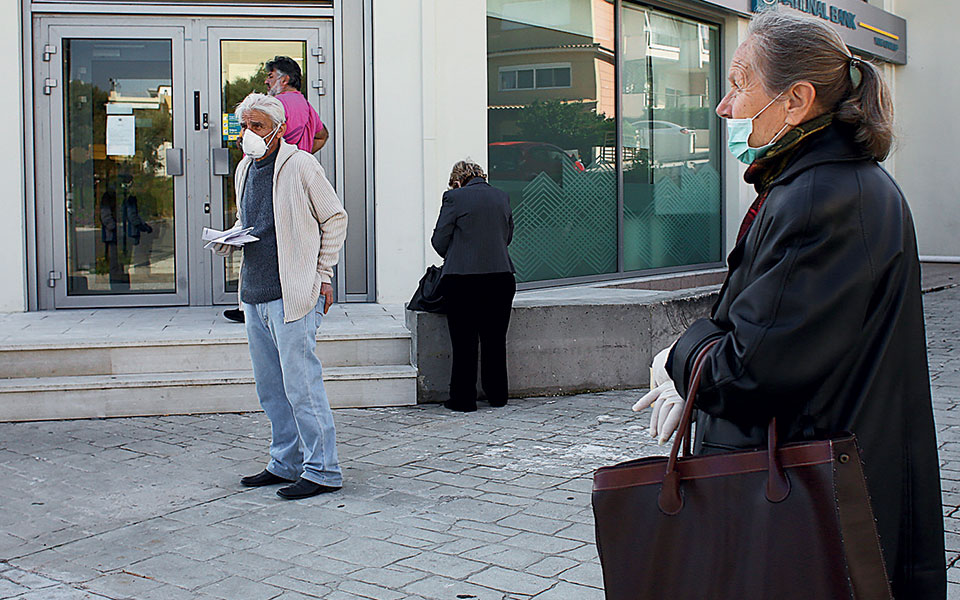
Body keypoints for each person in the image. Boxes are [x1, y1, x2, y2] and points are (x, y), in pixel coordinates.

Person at [632, 9, 945, 598]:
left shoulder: (818, 197)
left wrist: (681, 354)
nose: (724, 106)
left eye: (739, 83)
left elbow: (752, 370)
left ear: (797, 100)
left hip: (813, 510)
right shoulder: (828, 183)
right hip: (831, 488)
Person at [214, 93, 348, 500]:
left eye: (256, 126)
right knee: (271, 389)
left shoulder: (302, 165)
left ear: (278, 128)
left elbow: (334, 218)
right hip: (253, 294)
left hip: (293, 294)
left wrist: (323, 274)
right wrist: (228, 239)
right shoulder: (244, 169)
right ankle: (285, 462)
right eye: (244, 126)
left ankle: (323, 469)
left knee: (302, 387)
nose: (248, 134)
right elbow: (251, 221)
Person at [431, 160, 516, 412]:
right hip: (501, 277)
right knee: (495, 341)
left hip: (463, 279)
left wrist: (458, 252)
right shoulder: (501, 196)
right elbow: (508, 236)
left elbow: (439, 240)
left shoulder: (454, 198)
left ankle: (463, 400)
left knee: (464, 342)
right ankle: (497, 396)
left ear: (457, 181)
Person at [264, 56, 328, 153]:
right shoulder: (306, 105)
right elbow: (322, 136)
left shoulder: (274, 104)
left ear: (284, 80)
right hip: (298, 162)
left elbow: (260, 138)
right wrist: (301, 154)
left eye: (271, 77)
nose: (266, 81)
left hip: (274, 162)